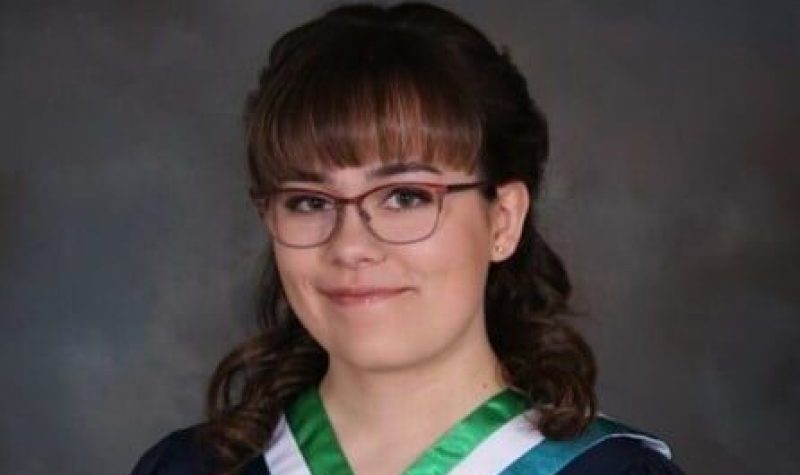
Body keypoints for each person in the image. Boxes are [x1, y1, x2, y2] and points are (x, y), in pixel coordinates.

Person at [131, 2, 685, 474]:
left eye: (405, 196)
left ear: (503, 220)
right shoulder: (188, 468)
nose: (350, 246)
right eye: (309, 201)